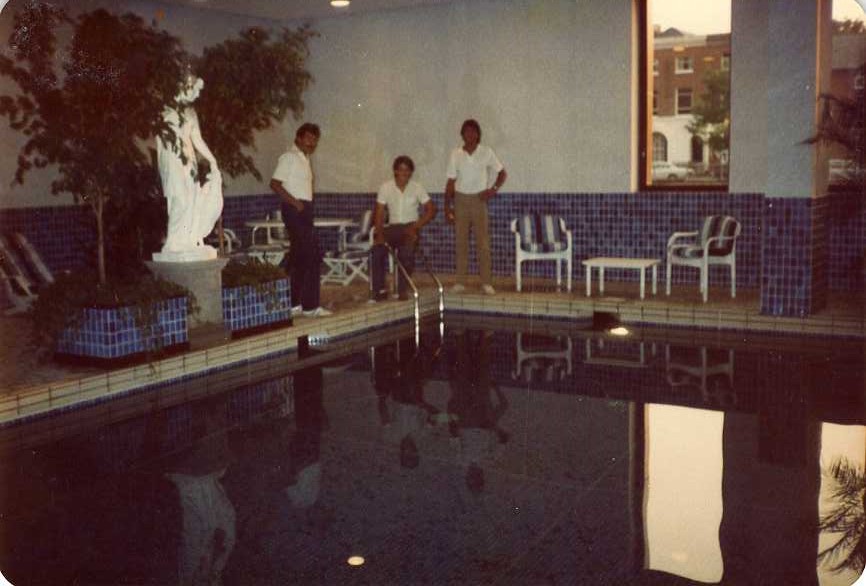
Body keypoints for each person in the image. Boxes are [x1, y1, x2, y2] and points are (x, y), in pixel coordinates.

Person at [156, 73, 223, 260]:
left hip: (189, 161)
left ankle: (188, 240)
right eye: (195, 90)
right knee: (181, 200)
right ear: (185, 87)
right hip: (173, 161)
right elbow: (163, 144)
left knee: (192, 199)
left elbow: (197, 139)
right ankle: (173, 243)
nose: (197, 95)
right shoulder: (166, 111)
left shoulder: (191, 112)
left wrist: (212, 160)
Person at [270, 123, 332, 317]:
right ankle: (311, 306)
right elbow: (275, 184)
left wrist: (304, 206)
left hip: (304, 209)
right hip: (295, 210)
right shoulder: (289, 157)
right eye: (308, 138)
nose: (311, 142)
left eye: (314, 140)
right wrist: (296, 203)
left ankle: (295, 304)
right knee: (312, 254)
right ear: (298, 137)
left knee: (301, 257)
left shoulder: (305, 159)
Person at [443, 119, 507, 296]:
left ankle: (486, 282)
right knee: (461, 242)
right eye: (466, 131)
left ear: (478, 134)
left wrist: (492, 190)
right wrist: (447, 208)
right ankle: (460, 282)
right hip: (460, 200)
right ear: (462, 135)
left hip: (479, 200)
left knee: (483, 243)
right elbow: (450, 181)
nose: (470, 135)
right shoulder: (455, 154)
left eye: (473, 131)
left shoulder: (486, 152)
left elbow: (502, 173)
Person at [371, 156, 437, 301]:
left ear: (411, 172)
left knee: (406, 253)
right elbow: (379, 212)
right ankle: (379, 290)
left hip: (410, 227)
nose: (404, 173)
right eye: (401, 169)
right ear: (395, 171)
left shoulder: (417, 187)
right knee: (376, 251)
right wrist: (379, 233)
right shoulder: (385, 187)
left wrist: (416, 226)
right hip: (393, 228)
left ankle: (402, 289)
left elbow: (431, 209)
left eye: (407, 170)